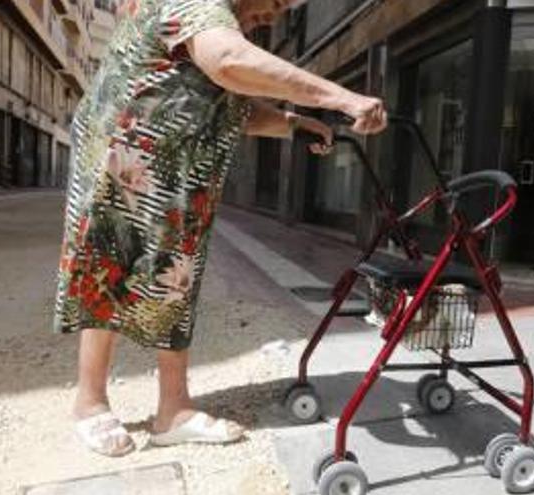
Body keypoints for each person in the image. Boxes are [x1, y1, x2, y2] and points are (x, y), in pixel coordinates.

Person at [52, 0, 387, 457]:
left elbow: (231, 105)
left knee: (176, 278)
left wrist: (295, 123)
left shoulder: (220, 23)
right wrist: (340, 97)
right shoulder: (197, 4)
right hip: (124, 159)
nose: (274, 16)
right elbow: (227, 62)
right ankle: (90, 404)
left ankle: (174, 410)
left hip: (176, 168)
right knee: (108, 264)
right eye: (276, 2)